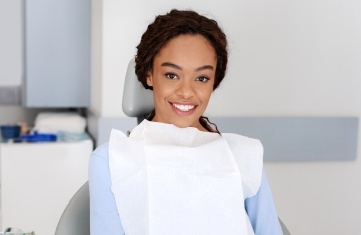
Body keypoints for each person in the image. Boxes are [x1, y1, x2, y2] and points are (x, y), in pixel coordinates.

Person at [89, 9, 283, 235]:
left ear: (213, 82)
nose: (186, 92)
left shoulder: (244, 156)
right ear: (149, 74)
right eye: (172, 75)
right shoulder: (112, 160)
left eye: (201, 78)